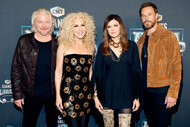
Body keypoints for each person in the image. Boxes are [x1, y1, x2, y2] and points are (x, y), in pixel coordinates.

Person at [91, 14, 142, 127]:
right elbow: (97, 73)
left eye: (115, 25)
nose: (112, 29)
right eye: (109, 26)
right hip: (107, 95)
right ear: (106, 30)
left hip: (126, 94)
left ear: (121, 27)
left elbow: (137, 72)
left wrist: (137, 97)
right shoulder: (102, 47)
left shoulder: (132, 46)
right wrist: (95, 98)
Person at [137, 2, 182, 127]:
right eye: (143, 15)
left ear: (157, 16)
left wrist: (173, 93)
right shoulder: (141, 40)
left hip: (162, 91)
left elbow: (176, 67)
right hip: (145, 92)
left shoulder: (168, 36)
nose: (146, 18)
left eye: (149, 14)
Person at [11, 8, 58, 127]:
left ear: (52, 24)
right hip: (32, 94)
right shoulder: (24, 41)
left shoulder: (59, 42)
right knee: (28, 124)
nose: (44, 25)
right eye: (40, 22)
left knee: (52, 124)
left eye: (47, 22)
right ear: (34, 23)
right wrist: (17, 95)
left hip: (53, 94)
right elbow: (16, 68)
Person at [55, 12, 96, 127]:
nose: (80, 29)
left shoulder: (90, 47)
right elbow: (58, 72)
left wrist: (94, 94)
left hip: (86, 92)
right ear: (70, 29)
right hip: (68, 91)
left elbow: (90, 72)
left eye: (83, 25)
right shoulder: (63, 46)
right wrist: (58, 96)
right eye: (75, 26)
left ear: (87, 27)